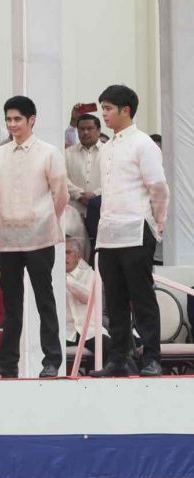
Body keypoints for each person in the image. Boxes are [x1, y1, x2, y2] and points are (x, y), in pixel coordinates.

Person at [89, 84, 169, 378]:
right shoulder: (106, 148)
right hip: (109, 232)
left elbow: (158, 188)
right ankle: (119, 358)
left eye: (108, 109)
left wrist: (156, 226)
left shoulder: (143, 143)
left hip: (137, 229)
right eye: (103, 108)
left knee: (142, 296)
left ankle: (152, 358)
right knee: (115, 299)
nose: (104, 115)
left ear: (126, 110)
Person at [0, 95, 69, 379]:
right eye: (9, 119)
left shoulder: (48, 152)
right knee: (11, 303)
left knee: (44, 299)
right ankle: (7, 361)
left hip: (39, 236)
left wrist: (45, 218)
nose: (13, 124)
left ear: (31, 120)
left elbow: (61, 195)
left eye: (18, 119)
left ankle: (51, 360)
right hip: (9, 236)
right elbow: (0, 191)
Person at [65, 236, 110, 367]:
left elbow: (89, 298)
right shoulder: (52, 277)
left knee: (109, 349)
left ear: (78, 256)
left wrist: (67, 280)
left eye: (68, 253)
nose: (64, 257)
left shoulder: (90, 274)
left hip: (89, 330)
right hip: (66, 333)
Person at [65, 113, 102, 218]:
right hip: (74, 212)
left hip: (101, 211)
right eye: (81, 129)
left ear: (98, 131)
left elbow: (114, 180)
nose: (85, 132)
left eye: (90, 128)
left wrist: (95, 194)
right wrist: (79, 194)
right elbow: (62, 179)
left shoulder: (110, 152)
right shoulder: (67, 153)